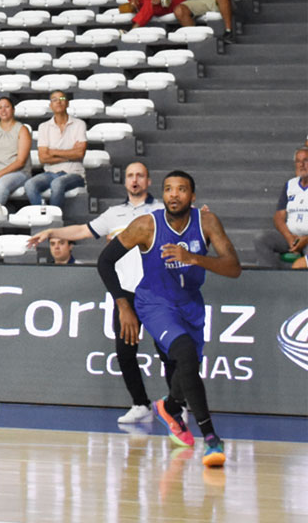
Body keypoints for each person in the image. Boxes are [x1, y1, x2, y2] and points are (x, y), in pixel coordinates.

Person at [96, 170, 241, 467]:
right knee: (185, 354)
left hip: (191, 305)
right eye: (168, 189)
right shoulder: (145, 226)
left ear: (193, 196)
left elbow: (233, 268)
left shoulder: (207, 222)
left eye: (182, 189)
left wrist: (195, 259)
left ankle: (170, 407)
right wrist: (124, 305)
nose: (174, 194)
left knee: (185, 369)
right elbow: (105, 261)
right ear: (163, 195)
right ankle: (211, 438)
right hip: (154, 303)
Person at [26, 160, 171, 424]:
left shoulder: (162, 210)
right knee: (125, 352)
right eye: (130, 176)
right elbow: (83, 230)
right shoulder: (113, 214)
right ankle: (140, 404)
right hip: (125, 293)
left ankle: (177, 406)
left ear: (148, 181)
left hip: (157, 292)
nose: (135, 180)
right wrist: (52, 231)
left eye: (140, 175)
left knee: (167, 350)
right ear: (125, 182)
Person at [23, 91, 87, 206]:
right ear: (50, 106)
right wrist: (70, 154)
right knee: (30, 185)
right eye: (54, 99)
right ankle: (44, 212)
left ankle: (55, 218)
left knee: (57, 183)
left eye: (62, 98)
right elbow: (43, 158)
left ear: (67, 103)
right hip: (50, 173)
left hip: (75, 174)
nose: (58, 102)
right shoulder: (43, 127)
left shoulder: (79, 124)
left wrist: (53, 152)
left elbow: (80, 154)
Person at [257, 146, 308, 268]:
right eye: (298, 161)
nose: (301, 165)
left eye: (306, 160)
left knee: (300, 265)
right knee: (261, 239)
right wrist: (289, 237)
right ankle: (272, 278)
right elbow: (279, 216)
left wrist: (305, 239)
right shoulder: (290, 185)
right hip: (290, 236)